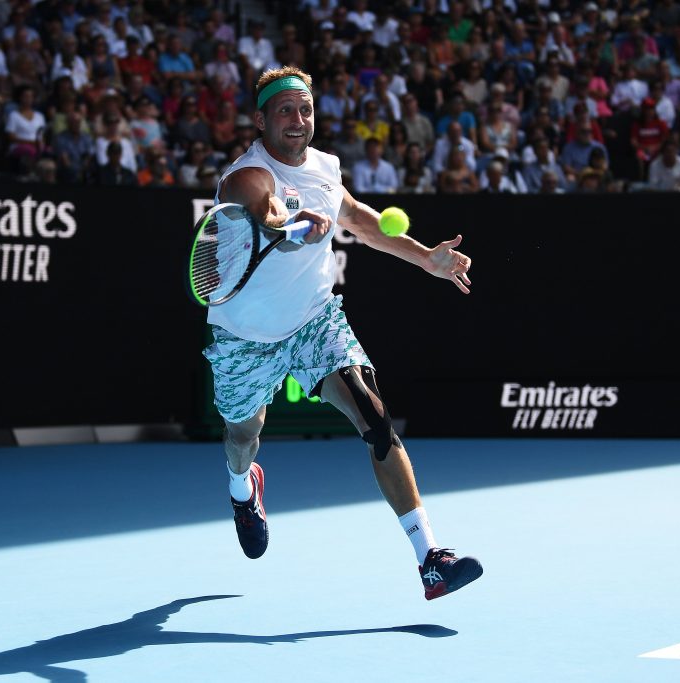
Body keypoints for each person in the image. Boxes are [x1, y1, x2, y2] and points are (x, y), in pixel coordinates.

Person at [204, 66, 481, 600]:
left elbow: (359, 219)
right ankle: (243, 487)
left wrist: (427, 259)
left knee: (375, 419)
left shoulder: (326, 168)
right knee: (243, 437)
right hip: (245, 336)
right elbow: (266, 211)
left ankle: (430, 559)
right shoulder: (244, 176)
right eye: (285, 110)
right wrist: (292, 226)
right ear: (260, 121)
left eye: (305, 109)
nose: (297, 119)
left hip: (314, 320)